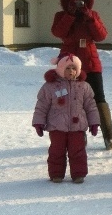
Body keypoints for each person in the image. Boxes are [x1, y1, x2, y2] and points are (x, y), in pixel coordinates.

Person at [51, 0, 112, 150]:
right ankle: (77, 136)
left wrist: (89, 18)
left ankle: (109, 136)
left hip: (90, 62)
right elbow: (58, 32)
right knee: (72, 101)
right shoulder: (61, 15)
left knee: (99, 99)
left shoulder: (92, 14)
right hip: (69, 64)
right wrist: (70, 15)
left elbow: (101, 35)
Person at [32, 54, 100, 184]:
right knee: (56, 151)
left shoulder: (84, 86)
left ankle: (78, 174)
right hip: (57, 126)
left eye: (74, 69)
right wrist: (39, 122)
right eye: (68, 68)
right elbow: (41, 105)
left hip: (77, 126)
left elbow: (91, 106)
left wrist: (94, 122)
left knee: (78, 151)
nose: (71, 72)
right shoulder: (50, 86)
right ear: (61, 69)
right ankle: (56, 174)